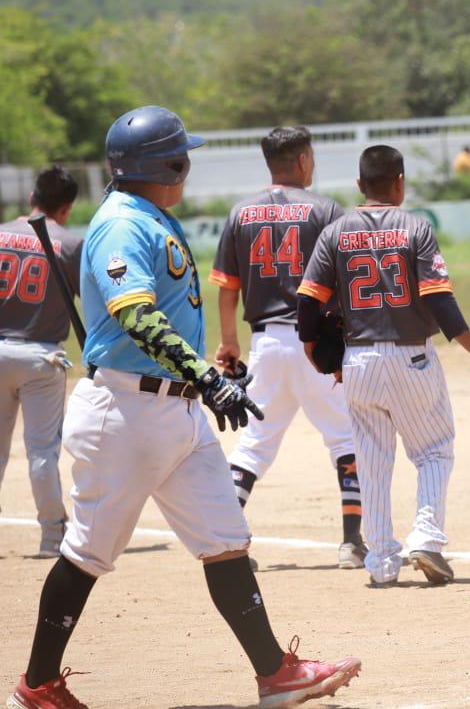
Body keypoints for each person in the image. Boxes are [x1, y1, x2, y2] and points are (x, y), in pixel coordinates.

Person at [8, 106, 359, 709]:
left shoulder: (148, 215)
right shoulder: (122, 224)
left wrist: (201, 382)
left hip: (176, 413)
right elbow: (134, 314)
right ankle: (36, 686)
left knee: (225, 537)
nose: (189, 165)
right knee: (88, 554)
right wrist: (203, 374)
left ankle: (275, 672)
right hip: (127, 414)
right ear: (167, 164)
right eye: (183, 156)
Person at [297, 145, 470, 587]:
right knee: (433, 450)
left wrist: (316, 352)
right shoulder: (415, 228)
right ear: (401, 182)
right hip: (411, 356)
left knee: (371, 462)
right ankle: (426, 539)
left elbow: (307, 301)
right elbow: (439, 299)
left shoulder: (335, 232)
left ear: (359, 185)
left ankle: (382, 563)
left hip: (359, 360)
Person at [209, 127, 367, 570]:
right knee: (345, 438)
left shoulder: (241, 212)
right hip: (315, 339)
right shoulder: (325, 209)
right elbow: (343, 280)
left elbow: (226, 287)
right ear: (301, 161)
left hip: (265, 342)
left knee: (253, 445)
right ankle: (352, 544)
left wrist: (228, 342)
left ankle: (225, 542)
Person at [0, 166, 81, 558]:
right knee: (42, 452)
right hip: (41, 356)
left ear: (32, 197)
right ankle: (52, 538)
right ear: (66, 208)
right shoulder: (68, 242)